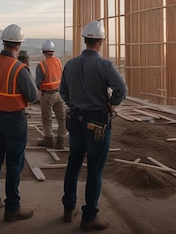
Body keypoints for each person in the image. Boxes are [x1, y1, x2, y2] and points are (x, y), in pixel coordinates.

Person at [60, 20, 127, 231]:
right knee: (95, 170)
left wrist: (75, 104)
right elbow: (121, 89)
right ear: (100, 41)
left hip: (76, 121)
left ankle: (68, 210)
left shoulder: (70, 64)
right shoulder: (104, 65)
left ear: (85, 40)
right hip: (97, 123)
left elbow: (63, 91)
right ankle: (89, 217)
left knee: (73, 165)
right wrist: (111, 104)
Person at [0, 24, 38, 222]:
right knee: (14, 164)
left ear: (4, 42)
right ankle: (12, 208)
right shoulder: (18, 68)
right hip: (14, 120)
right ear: (18, 45)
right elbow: (32, 96)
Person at [35, 39, 68, 149]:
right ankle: (60, 141)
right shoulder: (58, 61)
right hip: (59, 94)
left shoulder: (41, 65)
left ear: (43, 52)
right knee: (62, 118)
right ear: (53, 51)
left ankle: (48, 139)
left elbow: (38, 84)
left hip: (47, 95)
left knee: (47, 118)